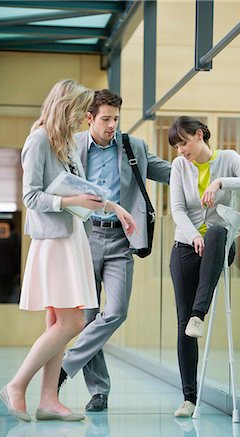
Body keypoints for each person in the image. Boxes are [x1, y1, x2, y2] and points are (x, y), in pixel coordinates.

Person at [0, 80, 137, 422]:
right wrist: (71, 201)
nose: (84, 118)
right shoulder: (39, 140)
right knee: (73, 320)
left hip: (73, 238)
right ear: (66, 107)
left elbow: (82, 188)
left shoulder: (65, 144)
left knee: (56, 320)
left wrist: (114, 207)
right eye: (80, 111)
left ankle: (49, 400)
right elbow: (31, 198)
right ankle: (16, 385)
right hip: (54, 243)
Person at [58, 89, 171, 412]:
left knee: (117, 311)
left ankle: (66, 365)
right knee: (89, 317)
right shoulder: (72, 146)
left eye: (116, 119)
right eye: (106, 119)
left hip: (122, 239)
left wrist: (209, 170)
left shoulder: (133, 147)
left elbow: (168, 172)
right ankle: (100, 391)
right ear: (89, 118)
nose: (112, 125)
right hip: (84, 238)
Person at [168, 116, 240, 418]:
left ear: (199, 135)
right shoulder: (178, 166)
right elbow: (178, 210)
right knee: (183, 323)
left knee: (220, 231)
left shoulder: (229, 159)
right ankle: (189, 399)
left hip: (220, 247)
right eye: (177, 146)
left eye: (184, 143)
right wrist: (195, 235)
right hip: (185, 245)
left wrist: (222, 182)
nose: (181, 150)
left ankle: (200, 314)